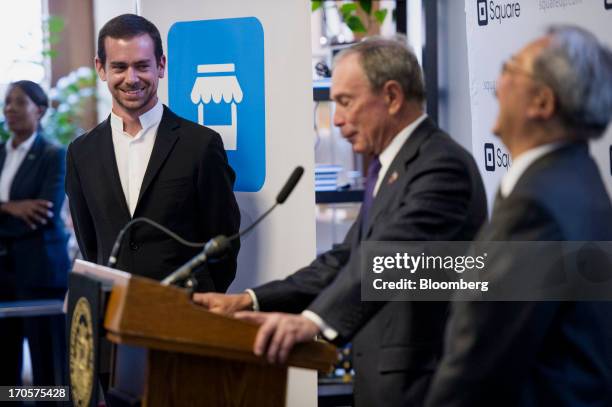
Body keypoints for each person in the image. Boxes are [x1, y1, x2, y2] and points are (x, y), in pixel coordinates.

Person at [194, 37, 487, 406]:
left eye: (346, 101)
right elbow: (345, 259)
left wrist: (314, 322)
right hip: (385, 382)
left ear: (392, 97)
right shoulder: (389, 167)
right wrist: (250, 301)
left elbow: (387, 257)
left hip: (427, 386)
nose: (336, 119)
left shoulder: (442, 166)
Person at [425, 26, 612, 406]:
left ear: (542, 103)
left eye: (510, 69)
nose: (498, 84)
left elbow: (480, 359)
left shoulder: (536, 207)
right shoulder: (578, 180)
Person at [65, 14, 240, 291]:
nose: (131, 79)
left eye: (142, 66)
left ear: (161, 65)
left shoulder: (200, 145)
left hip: (185, 316)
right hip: (113, 317)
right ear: (101, 68)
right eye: (119, 67)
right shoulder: (81, 152)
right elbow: (90, 243)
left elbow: (223, 241)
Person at [0, 80, 70, 386]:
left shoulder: (53, 155)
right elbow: (21, 213)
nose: (9, 109)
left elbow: (43, 212)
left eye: (19, 102)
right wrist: (10, 207)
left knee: (47, 368)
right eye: (6, 102)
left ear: (39, 110)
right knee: (5, 366)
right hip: (3, 273)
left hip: (40, 271)